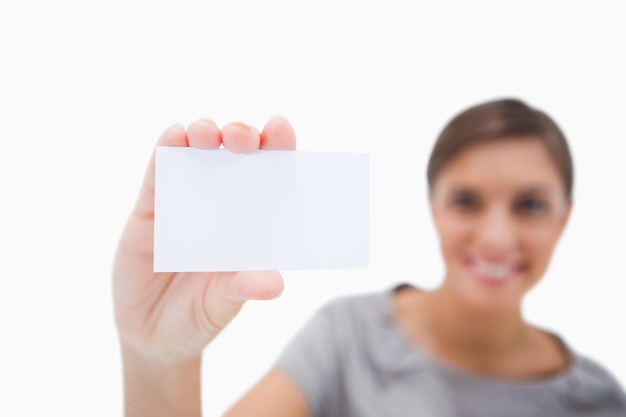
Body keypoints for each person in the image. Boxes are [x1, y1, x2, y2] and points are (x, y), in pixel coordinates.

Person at [113, 99, 626, 417]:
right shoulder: (348, 337)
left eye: (531, 205)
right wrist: (158, 359)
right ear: (433, 207)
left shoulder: (601, 402)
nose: (496, 236)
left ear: (564, 218)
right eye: (466, 200)